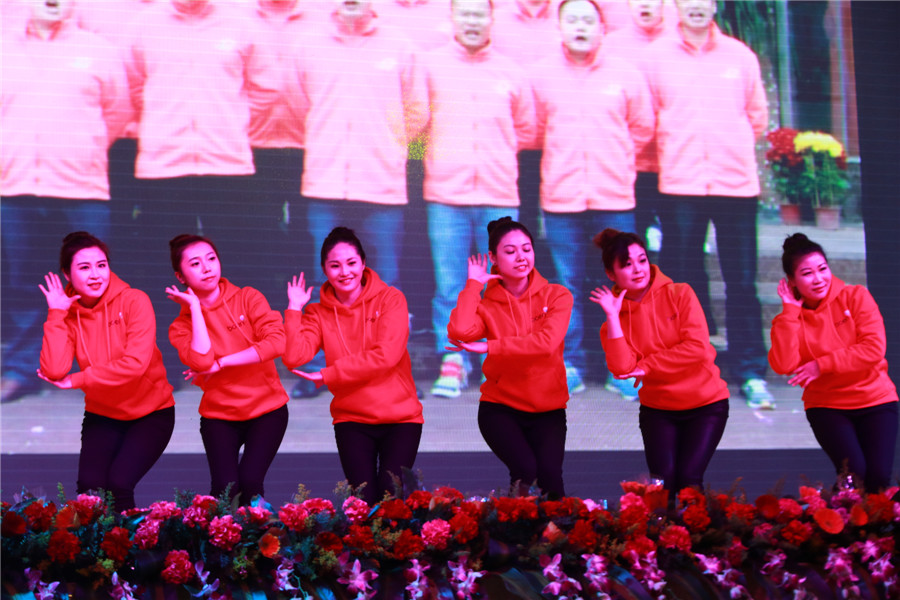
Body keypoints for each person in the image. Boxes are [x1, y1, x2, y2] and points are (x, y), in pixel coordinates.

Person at [644, 0, 774, 409]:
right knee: (681, 282)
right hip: (679, 183)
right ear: (676, 6)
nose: (696, 6)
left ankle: (750, 370)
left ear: (714, 5)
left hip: (735, 184)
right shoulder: (655, 57)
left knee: (742, 280)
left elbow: (757, 118)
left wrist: (727, 147)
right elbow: (646, 118)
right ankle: (688, 367)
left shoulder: (741, 56)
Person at [1, 0, 132, 403]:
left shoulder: (98, 50)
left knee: (93, 283)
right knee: (24, 282)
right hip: (15, 184)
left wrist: (80, 150)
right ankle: (22, 369)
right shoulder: (4, 49)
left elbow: (118, 112)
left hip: (81, 186)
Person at [532, 0, 654, 396]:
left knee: (621, 283)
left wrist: (615, 161)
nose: (580, 27)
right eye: (572, 20)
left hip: (613, 198)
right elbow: (533, 130)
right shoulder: (541, 75)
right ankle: (571, 364)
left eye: (588, 20)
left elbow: (642, 128)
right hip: (562, 199)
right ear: (560, 27)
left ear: (602, 28)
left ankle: (622, 366)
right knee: (566, 283)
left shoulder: (626, 75)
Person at [422, 0, 536, 397]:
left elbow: (526, 131)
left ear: (492, 19)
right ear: (452, 18)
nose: (472, 20)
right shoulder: (429, 66)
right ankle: (454, 359)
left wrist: (495, 158)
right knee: (451, 283)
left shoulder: (512, 71)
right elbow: (413, 126)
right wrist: (431, 160)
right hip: (445, 195)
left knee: (505, 284)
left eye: (479, 13)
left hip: (498, 195)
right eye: (465, 13)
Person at [282, 227, 423, 505]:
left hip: (400, 418)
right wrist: (294, 309)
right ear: (325, 269)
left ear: (363, 263)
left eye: (351, 263)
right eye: (335, 266)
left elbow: (386, 356)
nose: (344, 272)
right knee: (362, 504)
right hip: (352, 420)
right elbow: (294, 357)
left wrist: (329, 374)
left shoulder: (391, 299)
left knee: (391, 501)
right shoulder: (317, 313)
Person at [37, 232, 174, 511]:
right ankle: (97, 543)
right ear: (67, 274)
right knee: (89, 492)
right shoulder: (68, 312)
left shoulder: (135, 300)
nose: (95, 274)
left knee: (119, 484)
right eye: (84, 267)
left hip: (151, 413)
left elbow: (135, 365)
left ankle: (127, 541)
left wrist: (79, 379)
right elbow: (54, 370)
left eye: (101, 265)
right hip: (103, 414)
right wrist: (56, 314)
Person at [591, 228, 729, 493]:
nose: (638, 269)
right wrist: (613, 317)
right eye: (627, 264)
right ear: (611, 274)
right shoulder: (611, 325)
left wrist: (647, 365)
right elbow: (622, 369)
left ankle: (693, 521)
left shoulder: (680, 293)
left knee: (689, 480)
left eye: (642, 260)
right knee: (661, 487)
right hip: (658, 410)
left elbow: (697, 348)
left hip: (706, 404)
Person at [447, 217, 572, 498]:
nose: (521, 257)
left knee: (551, 478)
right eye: (510, 251)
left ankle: (551, 528)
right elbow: (460, 331)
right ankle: (517, 526)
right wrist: (472, 286)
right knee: (525, 471)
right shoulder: (487, 304)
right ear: (493, 258)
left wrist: (491, 347)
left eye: (526, 249)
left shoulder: (556, 295)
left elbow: (546, 344)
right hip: (500, 408)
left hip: (548, 409)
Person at [768, 234, 898, 493]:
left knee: (879, 479)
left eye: (822, 269)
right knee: (854, 474)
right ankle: (836, 515)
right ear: (791, 281)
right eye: (807, 273)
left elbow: (874, 348)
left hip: (876, 399)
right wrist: (790, 312)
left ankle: (858, 520)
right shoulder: (789, 320)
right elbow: (783, 364)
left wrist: (821, 365)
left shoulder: (856, 296)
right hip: (827, 405)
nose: (818, 279)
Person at [166, 234, 289, 503]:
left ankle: (258, 529)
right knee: (225, 489)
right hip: (219, 415)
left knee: (250, 482)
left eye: (211, 259)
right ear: (180, 277)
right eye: (195, 263)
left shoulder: (248, 297)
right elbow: (201, 362)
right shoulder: (180, 327)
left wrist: (221, 363)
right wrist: (195, 308)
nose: (207, 268)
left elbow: (277, 343)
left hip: (267, 409)